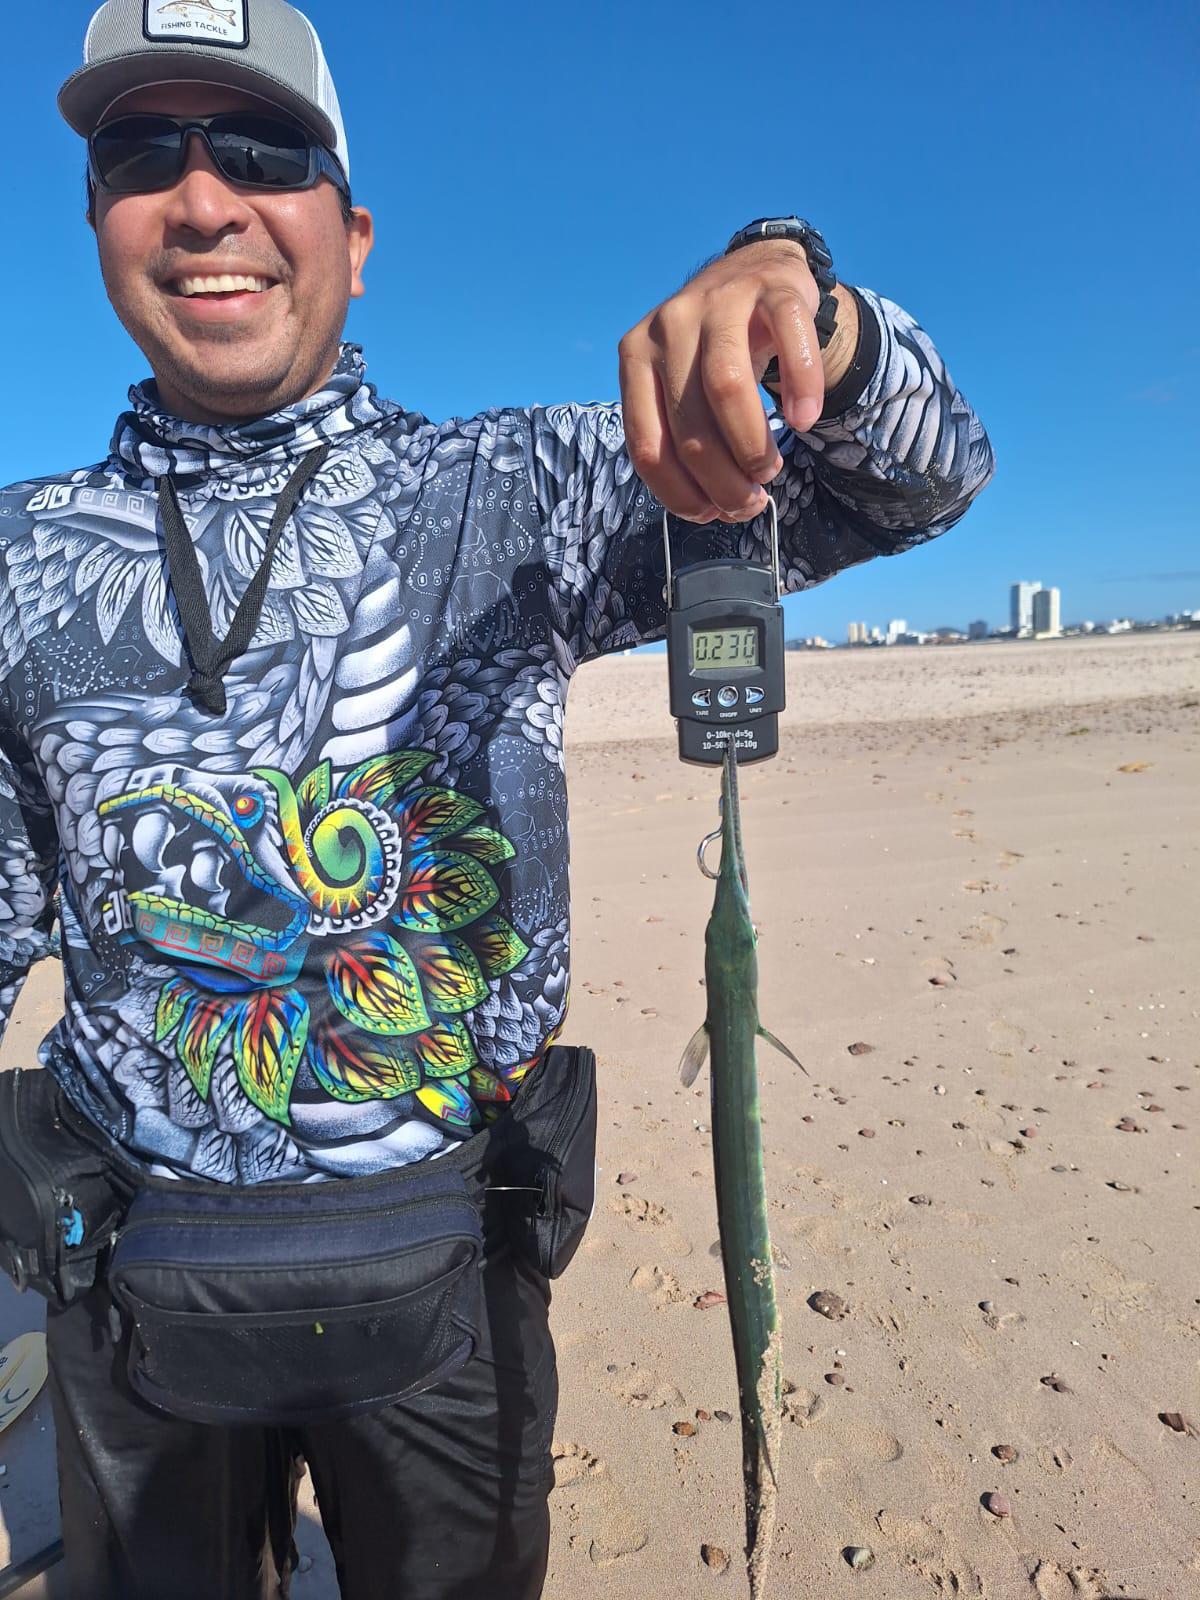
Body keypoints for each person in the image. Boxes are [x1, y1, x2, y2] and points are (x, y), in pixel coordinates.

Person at [0, 1, 995, 1595]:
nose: (202, 201)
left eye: (260, 149)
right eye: (140, 153)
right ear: (98, 217)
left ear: (357, 231)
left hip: (450, 1282)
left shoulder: (520, 492)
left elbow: (920, 481)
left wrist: (811, 305)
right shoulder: (19, 560)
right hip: (131, 1291)